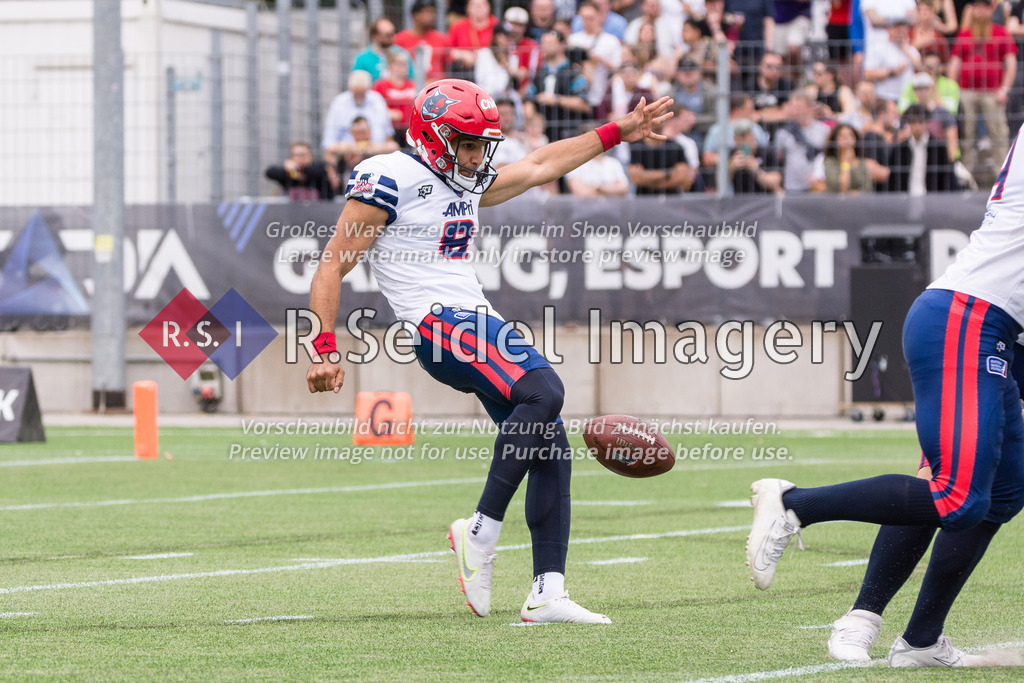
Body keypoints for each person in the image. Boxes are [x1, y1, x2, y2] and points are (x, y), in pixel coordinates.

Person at [306, 78, 673, 624]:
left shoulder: (467, 179)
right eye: (468, 144)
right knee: (545, 389)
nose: (478, 157)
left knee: (550, 444)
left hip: (476, 320)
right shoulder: (392, 175)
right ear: (433, 136)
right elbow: (333, 262)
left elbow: (541, 165)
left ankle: (547, 591)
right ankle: (479, 531)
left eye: (483, 145)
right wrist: (322, 345)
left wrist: (618, 131)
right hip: (437, 323)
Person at [745, 124, 1024, 666]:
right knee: (957, 494)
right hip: (968, 318)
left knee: (1003, 492)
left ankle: (921, 639)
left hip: (1000, 330)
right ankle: (795, 504)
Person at [888, 102, 960, 193]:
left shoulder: (939, 149)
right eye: (913, 121)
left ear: (927, 122)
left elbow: (947, 180)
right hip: (906, 201)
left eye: (920, 121)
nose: (917, 126)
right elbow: (893, 181)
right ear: (908, 123)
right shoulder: (899, 150)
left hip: (932, 201)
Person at [822, 122, 888, 193]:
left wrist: (855, 194)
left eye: (850, 136)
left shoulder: (862, 163)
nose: (847, 139)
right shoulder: (830, 162)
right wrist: (845, 162)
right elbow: (839, 189)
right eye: (843, 136)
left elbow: (867, 189)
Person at [395, 0, 451, 83]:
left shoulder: (442, 39)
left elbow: (446, 66)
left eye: (432, 12)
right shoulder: (400, 40)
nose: (432, 16)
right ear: (415, 15)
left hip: (438, 87)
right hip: (411, 88)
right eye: (427, 12)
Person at [264, 142, 334, 201]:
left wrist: (299, 168)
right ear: (291, 157)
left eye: (304, 154)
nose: (301, 158)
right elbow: (270, 172)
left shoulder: (319, 167)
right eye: (298, 155)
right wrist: (294, 174)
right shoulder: (290, 172)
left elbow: (320, 172)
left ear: (310, 156)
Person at [352, 18, 413, 83]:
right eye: (387, 35)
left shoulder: (403, 54)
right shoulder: (363, 58)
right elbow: (356, 83)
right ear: (375, 36)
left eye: (392, 34)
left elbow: (412, 79)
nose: (392, 37)